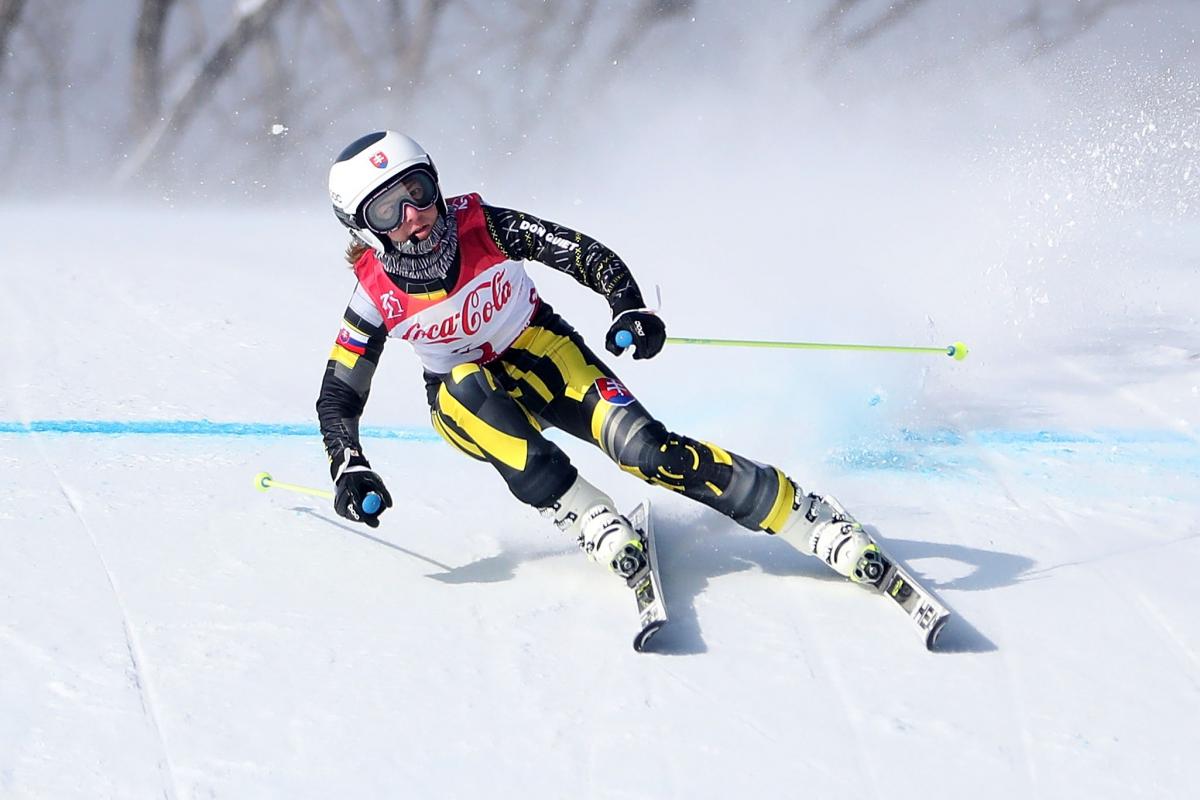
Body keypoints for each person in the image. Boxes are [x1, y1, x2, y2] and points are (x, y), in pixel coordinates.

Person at [317, 130, 884, 586]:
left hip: (541, 350)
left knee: (648, 451)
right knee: (468, 385)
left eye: (417, 190)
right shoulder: (373, 296)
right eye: (389, 209)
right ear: (364, 230)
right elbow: (340, 394)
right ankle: (584, 513)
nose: (414, 214)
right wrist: (349, 463)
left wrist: (627, 307)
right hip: (464, 402)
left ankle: (797, 514)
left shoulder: (482, 224)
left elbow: (583, 253)